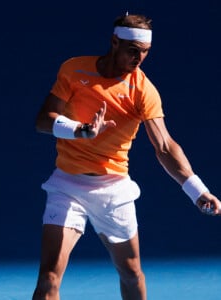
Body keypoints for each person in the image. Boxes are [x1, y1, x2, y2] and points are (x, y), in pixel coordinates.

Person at [32, 13, 221, 300]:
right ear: (114, 42)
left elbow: (165, 146)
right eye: (133, 50)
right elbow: (44, 120)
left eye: (145, 52)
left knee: (131, 273)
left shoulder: (143, 90)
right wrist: (80, 131)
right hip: (66, 187)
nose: (139, 58)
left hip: (113, 190)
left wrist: (198, 190)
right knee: (48, 278)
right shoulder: (74, 70)